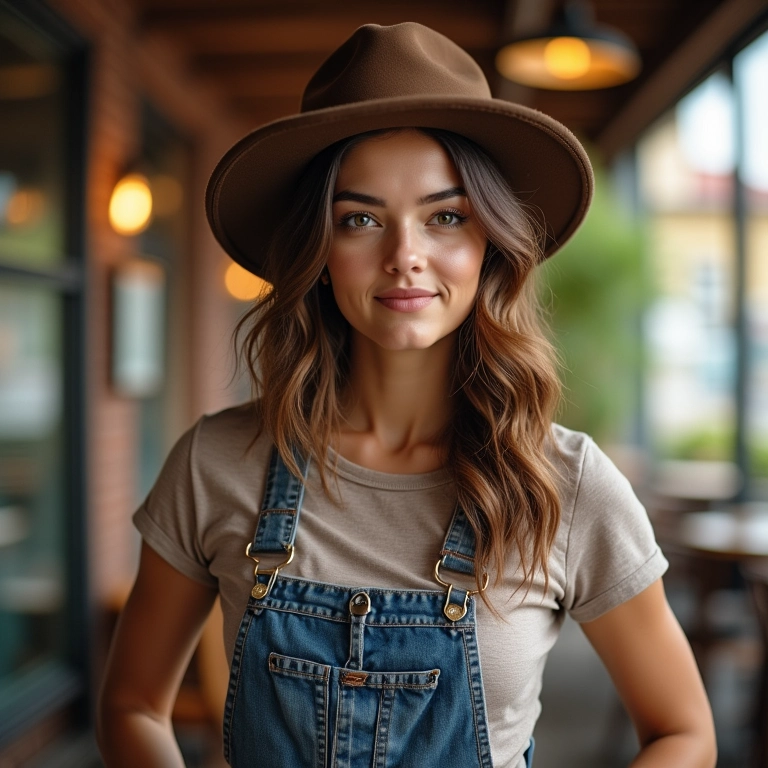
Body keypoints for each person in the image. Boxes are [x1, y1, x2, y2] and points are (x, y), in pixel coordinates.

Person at [97, 22, 717, 768]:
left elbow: (684, 732)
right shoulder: (217, 461)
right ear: (319, 253)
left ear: (490, 242)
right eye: (360, 219)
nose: (404, 258)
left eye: (445, 217)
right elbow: (132, 704)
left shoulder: (566, 485)